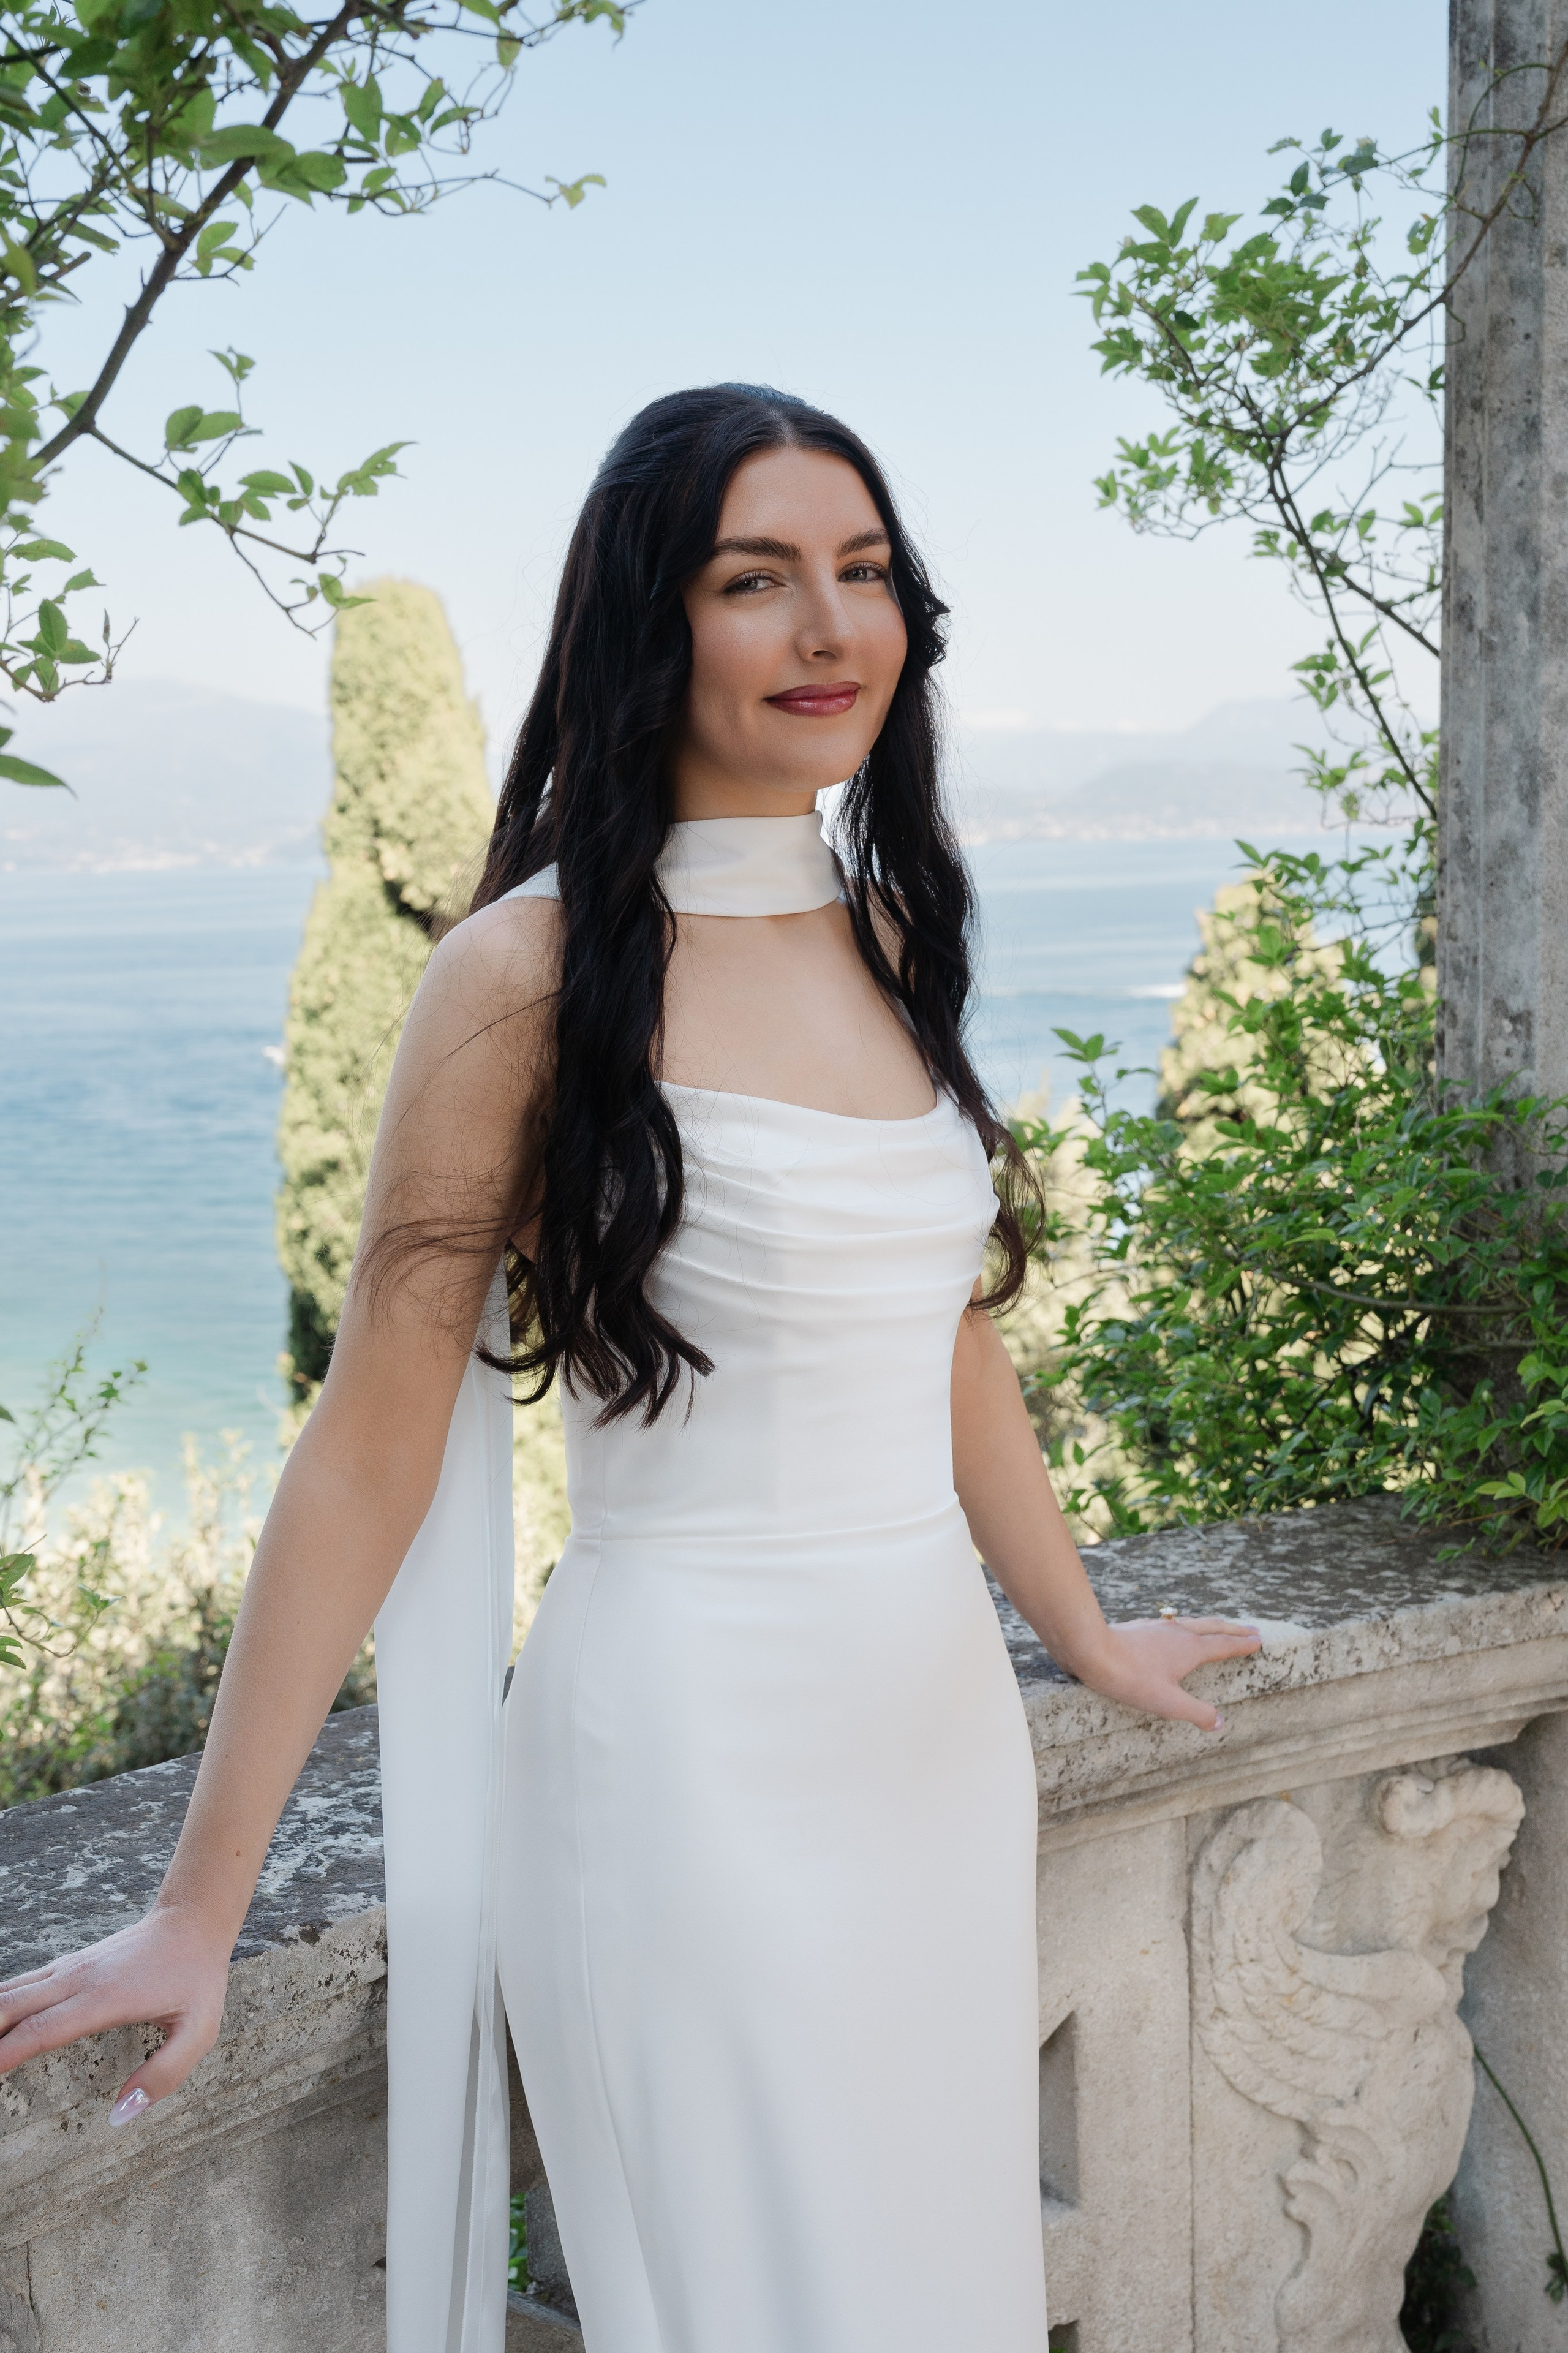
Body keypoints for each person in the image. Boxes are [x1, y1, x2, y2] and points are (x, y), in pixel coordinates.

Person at [0, 384, 1260, 2351]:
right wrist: (197, 1900)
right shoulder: (523, 974)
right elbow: (367, 1447)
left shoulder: (891, 925)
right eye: (757, 580)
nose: (830, 627)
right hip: (685, 1769)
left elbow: (942, 1332)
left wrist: (1081, 1629)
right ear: (646, 625)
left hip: (936, 1745)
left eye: (863, 571)